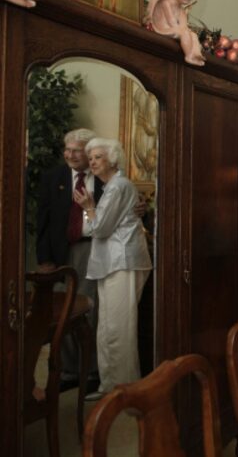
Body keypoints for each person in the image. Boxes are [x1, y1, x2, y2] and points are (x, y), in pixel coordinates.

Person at [72, 138, 152, 401]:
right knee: (107, 328)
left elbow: (99, 228)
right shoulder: (113, 186)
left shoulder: (118, 186)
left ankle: (126, 391)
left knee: (119, 329)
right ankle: (110, 387)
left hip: (122, 263)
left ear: (112, 159)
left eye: (98, 157)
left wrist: (88, 208)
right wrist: (92, 210)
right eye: (91, 157)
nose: (92, 161)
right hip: (111, 265)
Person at [36, 128, 103, 389]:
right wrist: (44, 259)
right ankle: (67, 373)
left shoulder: (103, 177)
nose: (70, 154)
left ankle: (91, 371)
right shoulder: (53, 178)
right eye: (68, 149)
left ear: (89, 152)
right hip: (61, 253)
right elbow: (42, 221)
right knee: (61, 311)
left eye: (76, 150)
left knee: (89, 310)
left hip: (93, 251)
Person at [146, 0, 205, 66]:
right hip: (163, 28)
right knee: (184, 32)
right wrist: (183, 31)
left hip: (174, 28)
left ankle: (196, 55)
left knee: (193, 35)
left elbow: (184, 25)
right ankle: (189, 56)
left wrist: (188, 33)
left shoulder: (181, 10)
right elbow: (172, 22)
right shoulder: (166, 3)